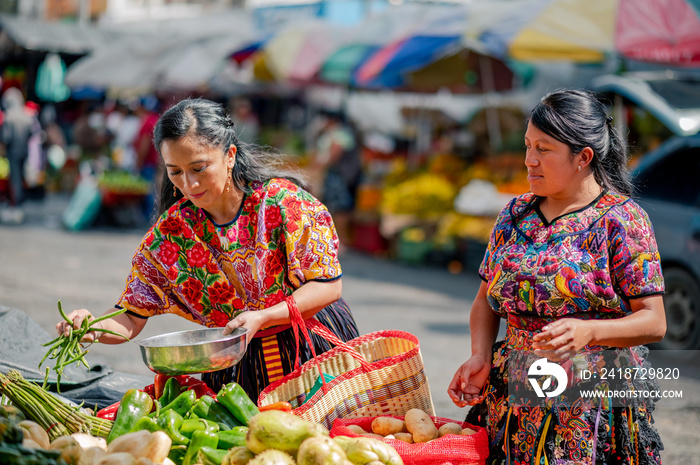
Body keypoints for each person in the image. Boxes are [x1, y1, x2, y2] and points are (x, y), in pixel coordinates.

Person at [56, 98, 359, 401]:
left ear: (230, 156)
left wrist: (264, 317)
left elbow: (327, 286)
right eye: (175, 171)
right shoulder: (172, 233)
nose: (189, 184)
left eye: (199, 168)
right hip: (236, 370)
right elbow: (132, 316)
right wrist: (91, 327)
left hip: (312, 350)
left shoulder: (283, 203)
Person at [448, 89, 666, 465]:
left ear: (583, 157)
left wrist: (590, 332)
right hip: (513, 401)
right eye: (528, 146)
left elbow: (654, 320)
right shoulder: (514, 214)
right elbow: (486, 299)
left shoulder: (622, 220)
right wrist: (480, 355)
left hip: (590, 406)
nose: (530, 160)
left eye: (544, 149)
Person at [309, 110, 361, 249]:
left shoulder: (341, 134)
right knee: (334, 206)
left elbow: (334, 154)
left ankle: (342, 240)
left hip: (340, 175)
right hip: (336, 175)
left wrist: (319, 167)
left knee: (340, 207)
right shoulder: (333, 133)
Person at [0, 88, 36, 224]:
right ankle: (19, 204)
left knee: (15, 180)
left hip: (13, 153)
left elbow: (6, 137)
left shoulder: (8, 117)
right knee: (21, 178)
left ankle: (16, 205)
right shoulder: (26, 116)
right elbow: (32, 134)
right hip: (24, 151)